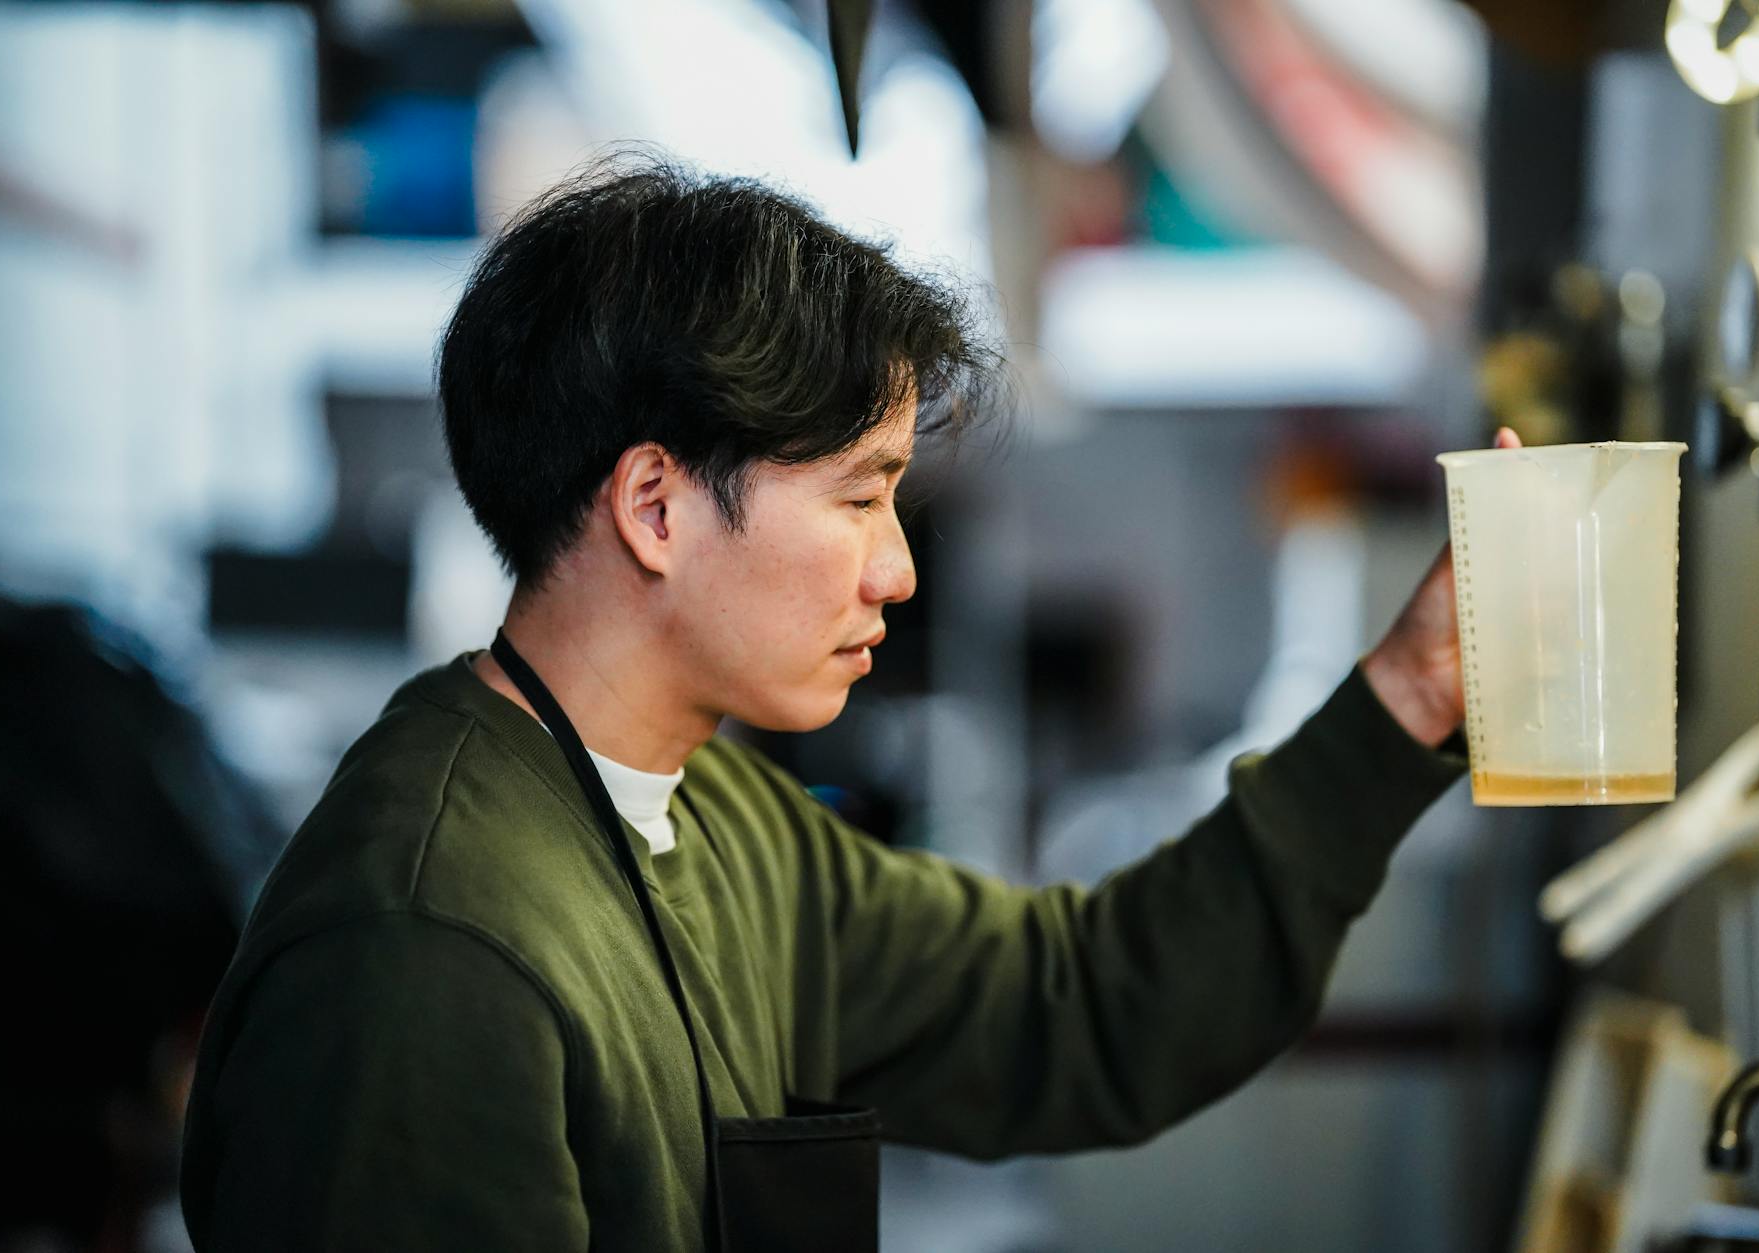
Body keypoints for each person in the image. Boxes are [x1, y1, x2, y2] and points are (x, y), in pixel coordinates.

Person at [180, 150, 1516, 1252]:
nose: (898, 567)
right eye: (861, 495)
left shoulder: (717, 818)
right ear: (656, 505)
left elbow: (1077, 1006)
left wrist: (1401, 697)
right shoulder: (430, 946)